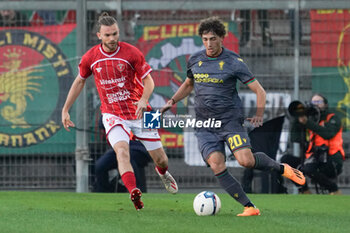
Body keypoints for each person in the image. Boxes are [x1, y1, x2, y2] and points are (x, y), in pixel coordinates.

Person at [161, 16, 305, 217]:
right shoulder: (195, 59)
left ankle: (282, 168)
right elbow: (188, 84)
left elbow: (260, 91)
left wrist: (259, 115)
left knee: (245, 160)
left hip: (230, 122)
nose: (208, 44)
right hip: (204, 124)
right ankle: (249, 207)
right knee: (216, 164)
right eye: (205, 39)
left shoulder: (234, 62)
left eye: (212, 39)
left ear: (222, 38)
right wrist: (172, 102)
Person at [62, 12, 178, 210]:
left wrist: (143, 99)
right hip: (113, 114)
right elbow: (80, 81)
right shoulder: (91, 57)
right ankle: (134, 192)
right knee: (122, 152)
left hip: (142, 111)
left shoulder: (131, 52)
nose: (112, 39)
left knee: (161, 158)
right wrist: (65, 109)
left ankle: (163, 173)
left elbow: (148, 80)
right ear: (99, 35)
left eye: (115, 34)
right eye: (107, 35)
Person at [289, 93, 345, 194]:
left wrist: (307, 122)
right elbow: (295, 138)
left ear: (325, 104)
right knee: (286, 161)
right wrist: (297, 119)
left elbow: (328, 134)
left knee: (309, 168)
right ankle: (305, 191)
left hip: (332, 159)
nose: (315, 104)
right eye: (313, 102)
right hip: (314, 158)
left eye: (318, 102)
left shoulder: (333, 118)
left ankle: (334, 190)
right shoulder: (310, 119)